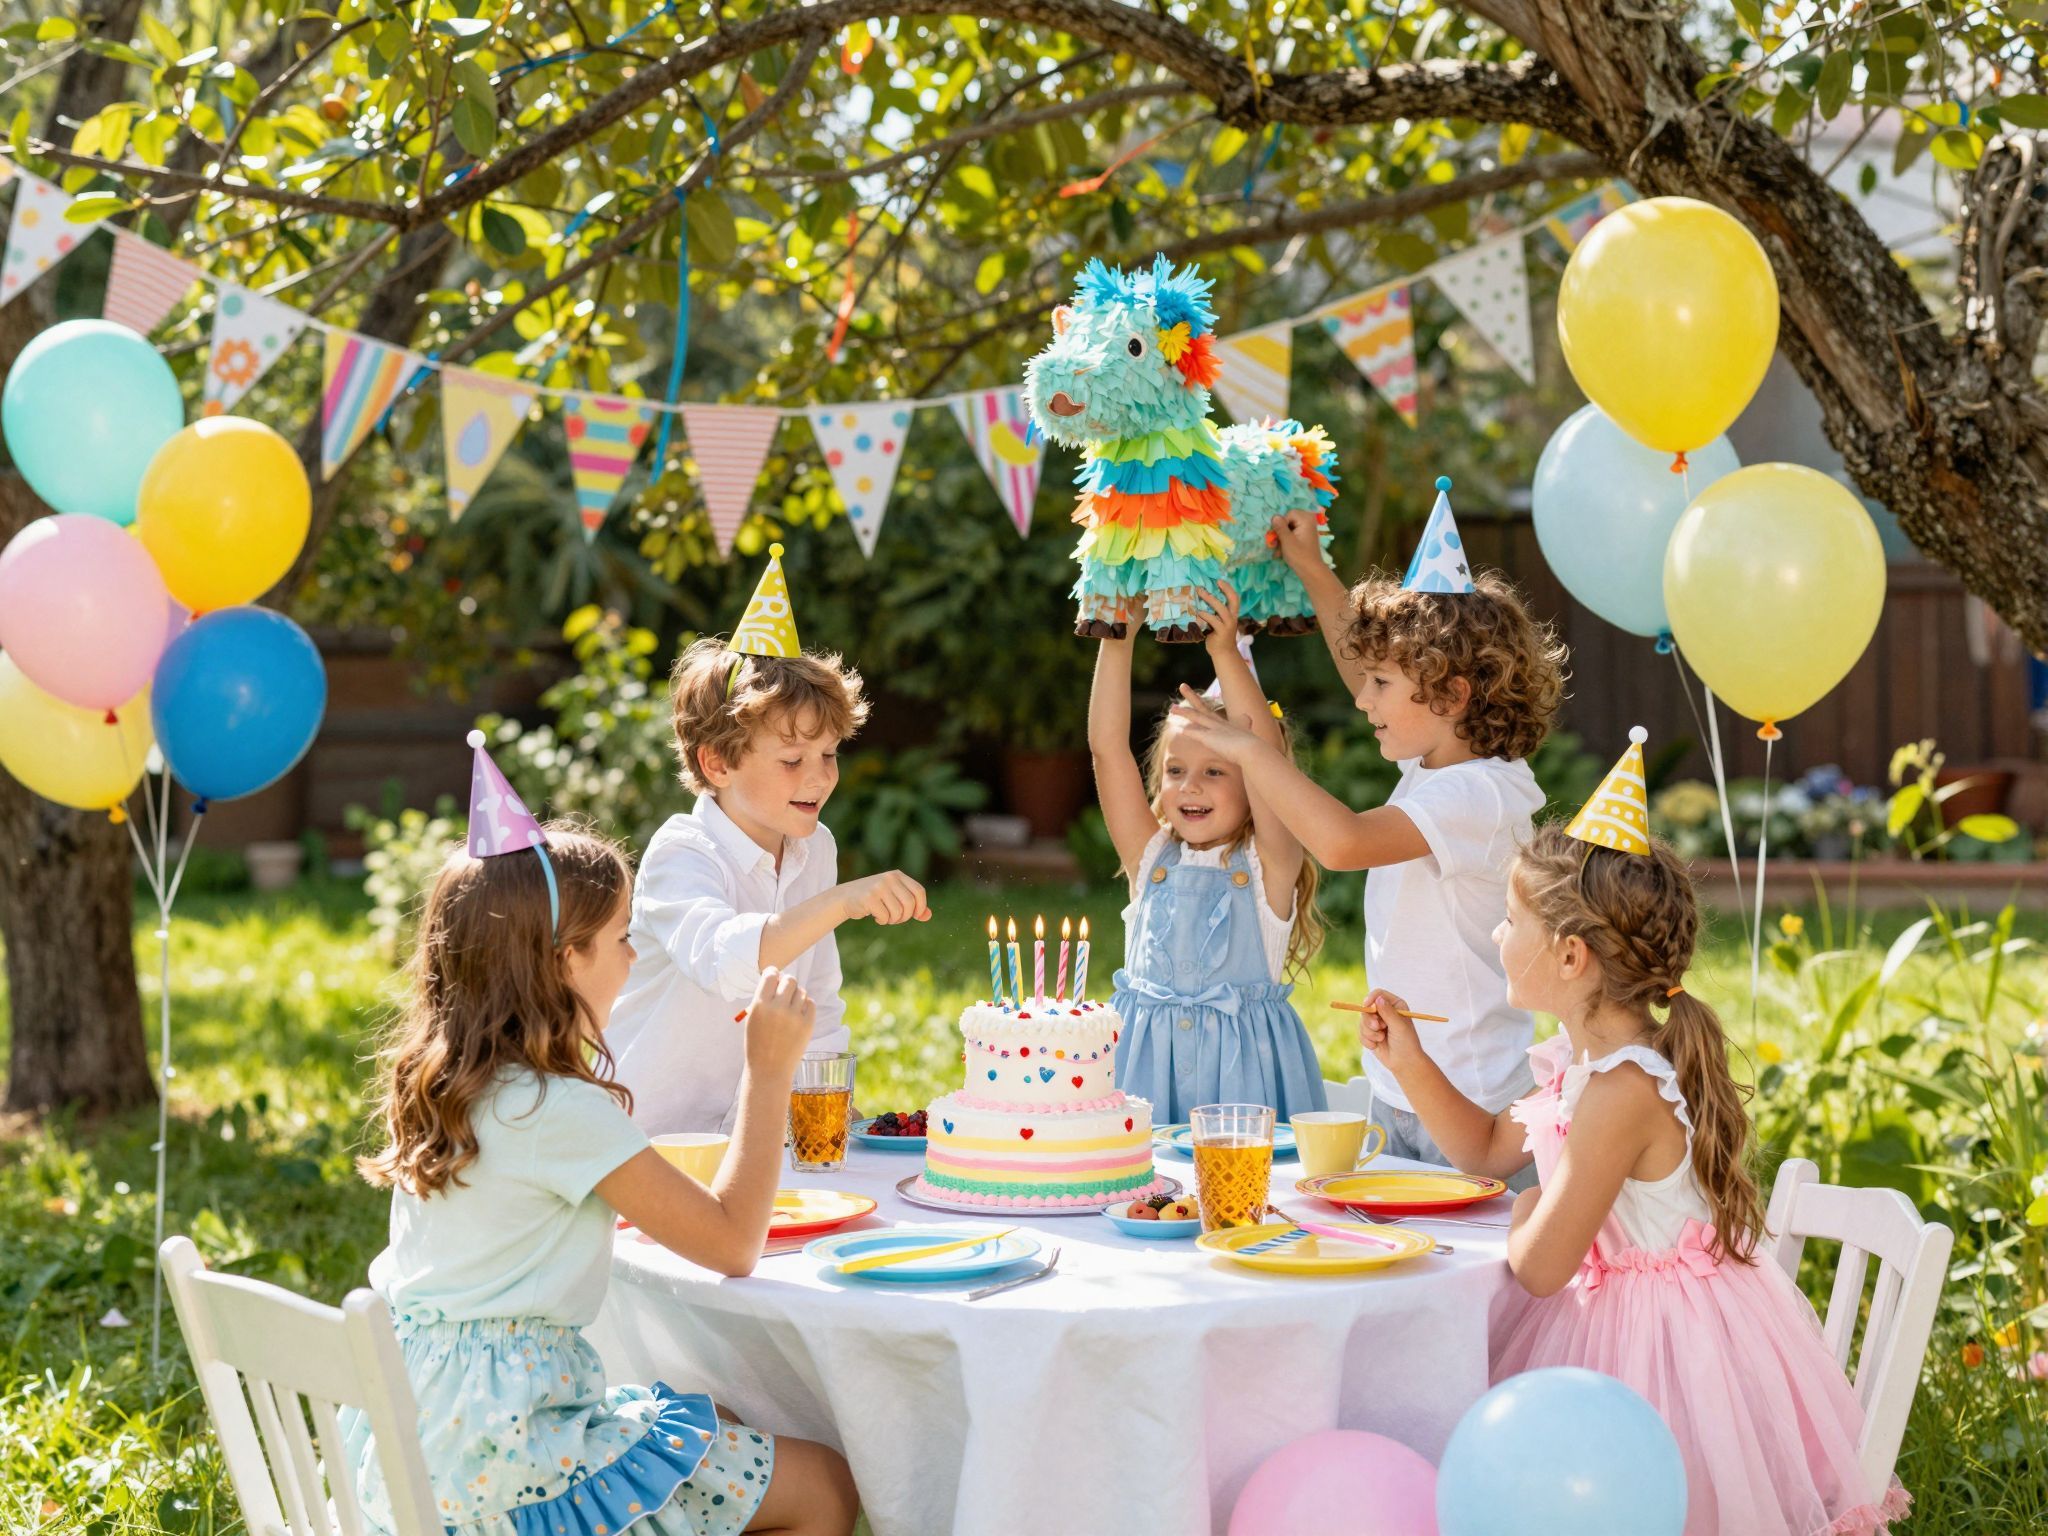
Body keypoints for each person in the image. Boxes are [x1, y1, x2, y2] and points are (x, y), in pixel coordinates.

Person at [1359, 731, 1907, 1536]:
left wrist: (1526, 1209)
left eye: (1510, 922)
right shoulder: (1582, 1062)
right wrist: (1408, 1062)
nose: (1497, 938)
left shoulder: (1621, 1090)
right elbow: (1482, 1149)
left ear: (1571, 956)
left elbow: (1542, 1265)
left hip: (1663, 1359)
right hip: (1615, 1315)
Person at [344, 737, 858, 1536]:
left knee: (715, 1420)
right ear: (561, 962)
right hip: (514, 1470)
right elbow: (732, 1244)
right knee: (823, 1485)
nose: (631, 956)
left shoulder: (447, 1079)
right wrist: (767, 1069)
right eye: (622, 938)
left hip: (419, 1443)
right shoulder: (556, 1108)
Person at [1174, 483, 1567, 1168]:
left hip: (1468, 1104)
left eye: (1381, 684)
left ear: (1450, 695)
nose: (1361, 697)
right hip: (1404, 1087)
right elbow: (1359, 655)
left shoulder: (1480, 795)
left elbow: (1343, 844)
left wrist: (1245, 749)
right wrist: (1313, 570)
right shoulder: (1438, 764)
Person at [609, 544, 927, 1132]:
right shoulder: (682, 853)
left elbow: (818, 1000)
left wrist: (827, 1106)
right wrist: (841, 902)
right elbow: (728, 961)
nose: (819, 775)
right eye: (791, 759)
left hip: (750, 1138)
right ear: (716, 763)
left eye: (829, 753)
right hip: (649, 1138)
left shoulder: (816, 849)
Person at [1089, 581, 1327, 1122]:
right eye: (1176, 771)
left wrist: (1224, 650)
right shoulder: (1150, 858)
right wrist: (1117, 638)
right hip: (1143, 1080)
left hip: (1245, 1096)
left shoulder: (1271, 863)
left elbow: (1265, 754)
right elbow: (1107, 749)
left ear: (1256, 783)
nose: (1190, 787)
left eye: (1215, 771)